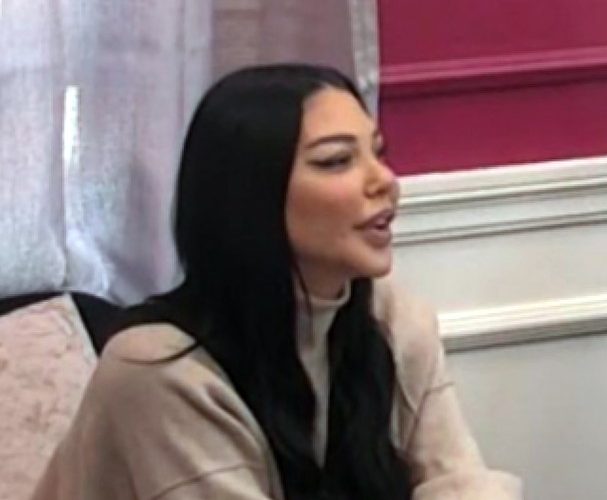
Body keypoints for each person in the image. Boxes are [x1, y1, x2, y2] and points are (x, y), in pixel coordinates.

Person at [33, 64, 522, 500]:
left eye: (378, 153)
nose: (385, 181)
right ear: (251, 194)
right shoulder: (158, 368)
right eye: (336, 161)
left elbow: (462, 482)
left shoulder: (395, 321)